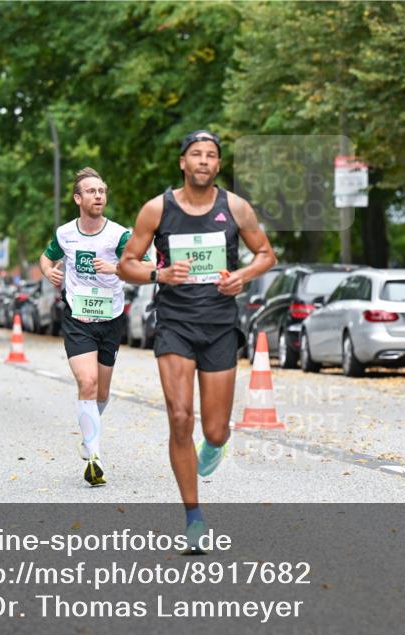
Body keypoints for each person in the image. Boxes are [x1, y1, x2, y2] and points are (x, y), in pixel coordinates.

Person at [118, 130, 276, 552]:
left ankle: (215, 447)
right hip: (174, 322)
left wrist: (241, 276)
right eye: (196, 155)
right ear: (183, 163)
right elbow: (126, 264)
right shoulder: (157, 209)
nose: (203, 161)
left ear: (218, 166)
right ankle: (193, 517)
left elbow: (266, 254)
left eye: (211, 155)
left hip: (221, 323)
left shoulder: (235, 207)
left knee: (216, 430)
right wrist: (159, 274)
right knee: (180, 416)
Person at [40, 167, 154, 487]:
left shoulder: (118, 235)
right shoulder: (65, 234)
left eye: (102, 191)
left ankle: (89, 433)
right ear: (78, 198)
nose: (98, 196)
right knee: (87, 384)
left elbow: (145, 267)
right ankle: (95, 455)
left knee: (101, 392)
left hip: (111, 318)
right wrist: (49, 271)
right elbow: (45, 259)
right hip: (78, 318)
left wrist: (116, 267)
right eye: (91, 191)